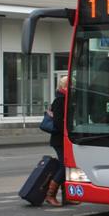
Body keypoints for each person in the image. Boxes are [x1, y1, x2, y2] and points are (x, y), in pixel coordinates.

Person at [44, 76, 69, 206]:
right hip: (60, 139)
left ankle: (67, 196)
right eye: (70, 84)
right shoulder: (60, 100)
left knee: (67, 166)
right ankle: (50, 194)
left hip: (64, 139)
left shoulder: (65, 98)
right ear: (64, 86)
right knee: (65, 166)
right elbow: (59, 122)